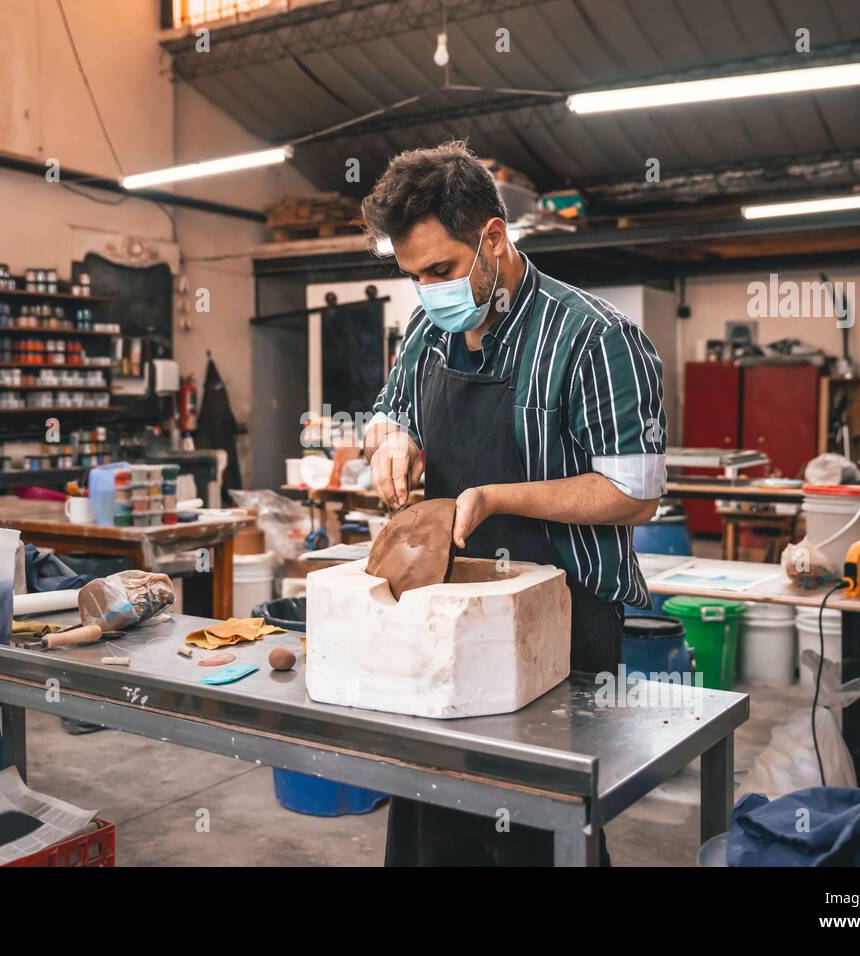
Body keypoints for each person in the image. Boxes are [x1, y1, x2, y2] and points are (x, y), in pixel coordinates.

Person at [359, 141, 668, 866]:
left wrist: (492, 497)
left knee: (536, 834)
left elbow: (635, 493)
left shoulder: (596, 338)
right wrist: (388, 438)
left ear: (493, 238)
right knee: (431, 824)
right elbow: (388, 406)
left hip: (560, 626)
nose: (427, 290)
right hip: (444, 612)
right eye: (413, 276)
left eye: (440, 269)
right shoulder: (428, 330)